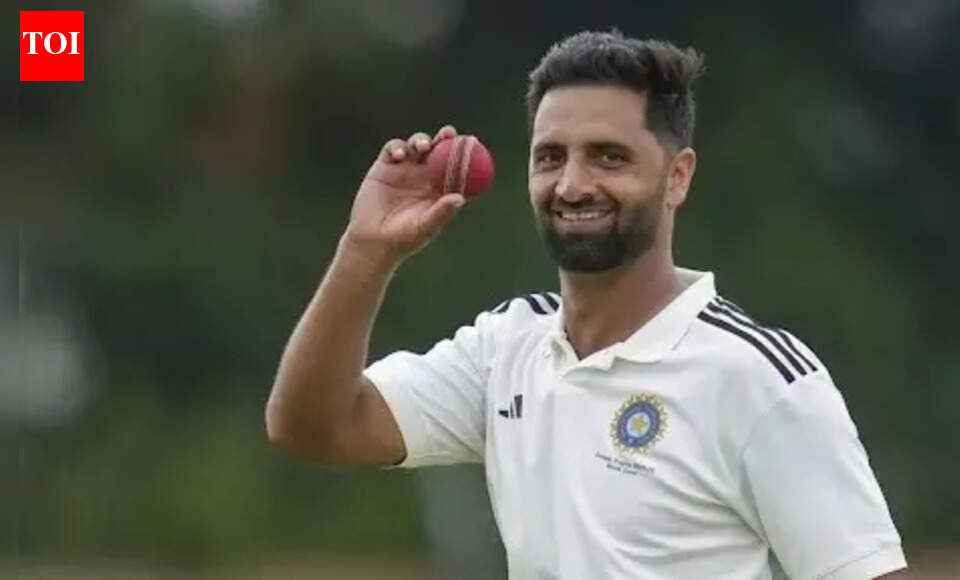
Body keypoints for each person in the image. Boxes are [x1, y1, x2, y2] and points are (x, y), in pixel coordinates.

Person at [266, 30, 909, 580]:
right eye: (551, 157)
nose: (572, 184)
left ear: (677, 176)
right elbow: (314, 426)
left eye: (609, 157)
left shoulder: (759, 379)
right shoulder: (506, 347)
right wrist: (366, 251)